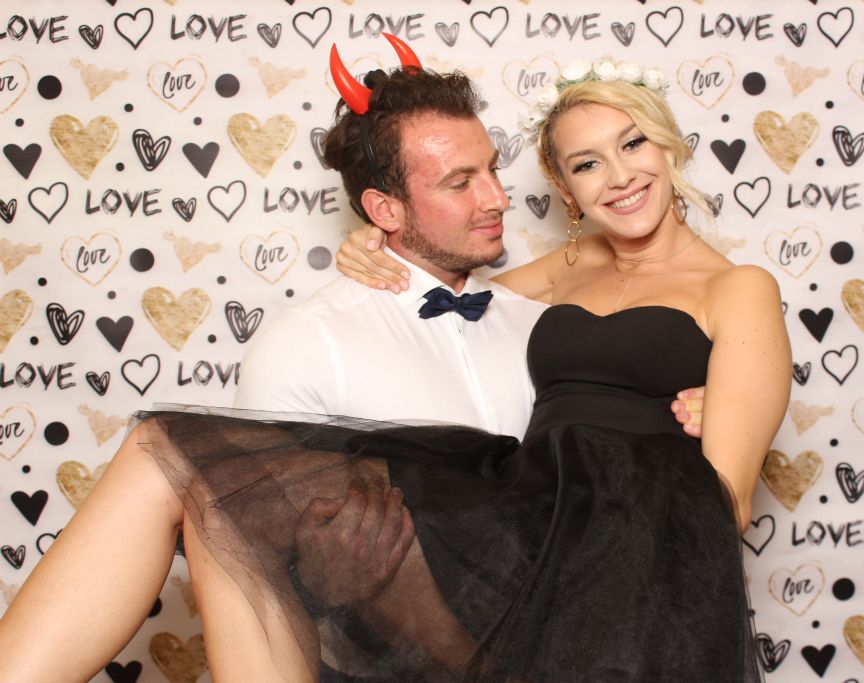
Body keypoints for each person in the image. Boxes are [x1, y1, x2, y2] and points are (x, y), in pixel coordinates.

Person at [0, 41, 786, 683]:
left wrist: (708, 410)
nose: (497, 198)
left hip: (617, 557)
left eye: (633, 143)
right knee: (184, 464)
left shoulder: (740, 286)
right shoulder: (550, 284)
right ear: (567, 187)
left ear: (669, 142)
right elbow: (444, 285)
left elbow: (728, 497)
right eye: (586, 164)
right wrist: (374, 250)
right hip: (506, 532)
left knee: (188, 465)